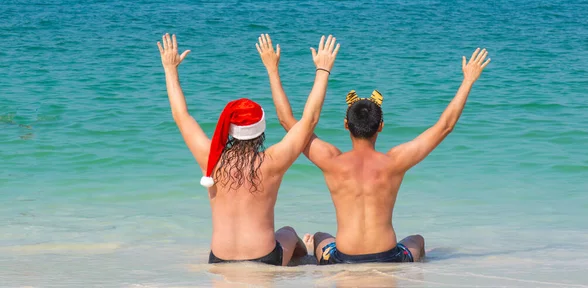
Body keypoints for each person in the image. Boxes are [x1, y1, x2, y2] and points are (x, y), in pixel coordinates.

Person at [257, 35, 490, 264]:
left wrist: (272, 69)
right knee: (416, 240)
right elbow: (445, 127)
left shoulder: (330, 160)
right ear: (381, 126)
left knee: (319, 237)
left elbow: (288, 121)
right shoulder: (395, 162)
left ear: (346, 125)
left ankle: (314, 251)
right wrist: (468, 80)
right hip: (389, 256)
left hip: (343, 257)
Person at [157, 33, 340, 266]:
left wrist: (170, 68)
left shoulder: (211, 159)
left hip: (219, 258)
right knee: (290, 233)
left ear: (230, 130)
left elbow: (181, 116)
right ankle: (307, 261)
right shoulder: (272, 161)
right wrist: (318, 70)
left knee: (286, 235)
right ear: (261, 131)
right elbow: (309, 119)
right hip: (266, 258)